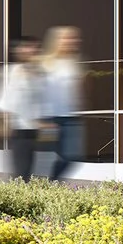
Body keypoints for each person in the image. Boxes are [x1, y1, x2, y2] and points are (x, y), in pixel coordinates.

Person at [0, 38, 46, 180]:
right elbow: (2, 99)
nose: (32, 51)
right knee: (21, 171)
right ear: (18, 51)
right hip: (18, 129)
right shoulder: (9, 72)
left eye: (35, 48)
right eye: (28, 48)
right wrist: (3, 122)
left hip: (36, 129)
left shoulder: (39, 73)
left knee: (33, 170)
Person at [42, 25, 85, 181]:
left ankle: (52, 183)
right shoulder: (46, 63)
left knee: (72, 156)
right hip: (50, 118)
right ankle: (45, 186)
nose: (72, 41)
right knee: (47, 158)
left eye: (74, 38)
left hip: (70, 117)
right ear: (57, 41)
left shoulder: (74, 63)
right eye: (67, 38)